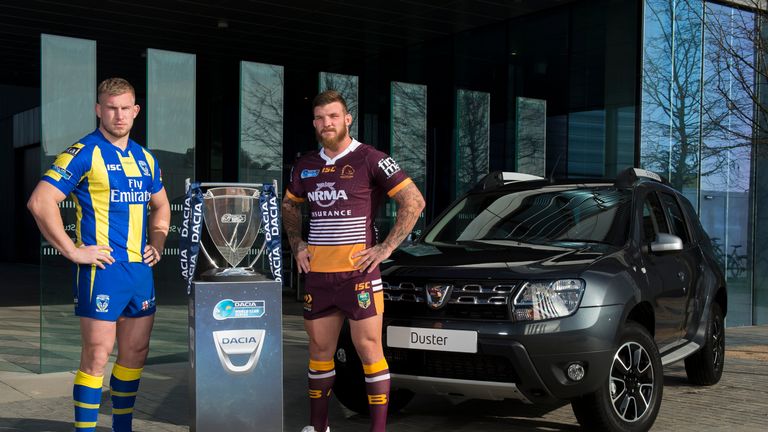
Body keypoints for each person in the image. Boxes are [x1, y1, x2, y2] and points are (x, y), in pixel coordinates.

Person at [27, 77, 170, 432]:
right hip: (102, 271)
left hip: (140, 272)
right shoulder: (84, 151)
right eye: (111, 108)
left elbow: (162, 206)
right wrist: (73, 251)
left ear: (136, 111)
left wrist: (159, 242)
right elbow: (40, 201)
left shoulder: (145, 158)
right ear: (98, 110)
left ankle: (122, 427)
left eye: (125, 108)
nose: (119, 115)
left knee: (136, 354)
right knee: (97, 357)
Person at [283, 90, 425, 432]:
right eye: (319, 117)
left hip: (358, 276)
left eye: (332, 116)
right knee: (319, 352)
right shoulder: (305, 165)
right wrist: (297, 242)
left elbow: (414, 201)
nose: (325, 123)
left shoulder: (370, 158)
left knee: (369, 349)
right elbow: (289, 206)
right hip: (318, 275)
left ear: (347, 119)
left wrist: (386, 248)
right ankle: (318, 428)